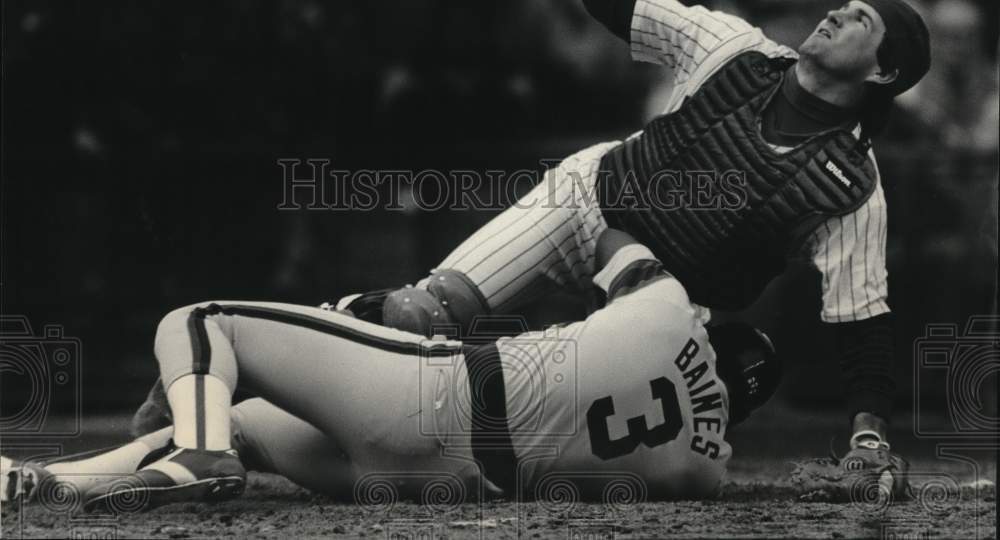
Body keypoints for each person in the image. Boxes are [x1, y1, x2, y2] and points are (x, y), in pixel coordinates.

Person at [317, 0, 930, 474]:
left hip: (660, 300)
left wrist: (868, 433)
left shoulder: (850, 186)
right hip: (586, 205)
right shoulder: (734, 48)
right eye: (843, 5)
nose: (835, 12)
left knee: (726, 375)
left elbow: (862, 324)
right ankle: (314, 347)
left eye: (860, 19)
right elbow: (615, 6)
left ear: (885, 70)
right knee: (420, 315)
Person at [2, 230, 780, 511]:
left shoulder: (673, 310)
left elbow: (611, 232)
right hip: (443, 484)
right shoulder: (705, 472)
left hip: (434, 395)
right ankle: (52, 486)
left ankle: (198, 451)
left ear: (717, 332)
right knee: (243, 425)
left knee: (202, 322)